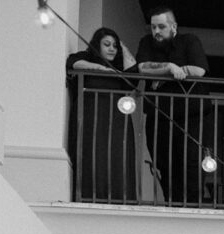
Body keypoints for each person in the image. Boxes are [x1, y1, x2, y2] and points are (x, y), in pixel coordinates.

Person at [135, 6, 209, 204]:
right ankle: (171, 204)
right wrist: (170, 68)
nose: (156, 31)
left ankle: (192, 208)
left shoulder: (189, 41)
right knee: (163, 164)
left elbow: (199, 70)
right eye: (153, 27)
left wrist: (164, 76)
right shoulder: (146, 43)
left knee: (191, 164)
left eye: (161, 26)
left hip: (189, 115)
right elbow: (142, 68)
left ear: (173, 26)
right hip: (158, 115)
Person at [65, 27, 137, 202]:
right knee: (93, 156)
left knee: (117, 158)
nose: (112, 48)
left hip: (117, 121)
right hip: (90, 118)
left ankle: (120, 199)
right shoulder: (86, 57)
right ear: (97, 45)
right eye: (107, 44)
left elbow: (134, 75)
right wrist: (102, 69)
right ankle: (90, 197)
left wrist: (123, 47)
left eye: (115, 45)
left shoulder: (120, 70)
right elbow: (73, 63)